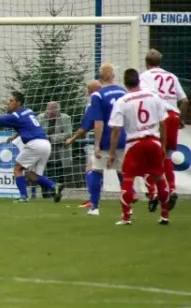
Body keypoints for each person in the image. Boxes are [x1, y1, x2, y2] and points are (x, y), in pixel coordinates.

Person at [0, 91, 64, 203]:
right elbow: (27, 125)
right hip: (45, 144)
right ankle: (54, 186)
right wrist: (15, 136)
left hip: (35, 144)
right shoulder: (28, 111)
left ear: (18, 103)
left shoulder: (15, 116)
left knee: (17, 168)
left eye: (11, 101)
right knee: (33, 176)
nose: (8, 103)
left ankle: (24, 197)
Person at [108, 68, 171, 225]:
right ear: (139, 81)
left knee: (128, 178)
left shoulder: (123, 101)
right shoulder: (153, 97)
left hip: (134, 143)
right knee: (159, 177)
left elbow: (116, 129)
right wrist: (162, 145)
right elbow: (163, 123)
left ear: (125, 82)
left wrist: (112, 153)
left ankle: (126, 217)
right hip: (153, 141)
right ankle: (164, 215)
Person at [139, 49, 188, 210]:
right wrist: (180, 117)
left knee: (149, 154)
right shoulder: (171, 76)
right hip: (172, 116)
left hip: (157, 116)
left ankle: (153, 193)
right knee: (167, 155)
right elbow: (185, 100)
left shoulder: (145, 76)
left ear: (147, 63)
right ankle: (171, 189)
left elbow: (145, 97)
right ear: (160, 62)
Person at [85, 63, 130, 216]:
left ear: (100, 77)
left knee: (95, 169)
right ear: (113, 76)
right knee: (123, 172)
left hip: (106, 138)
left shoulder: (98, 95)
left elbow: (98, 123)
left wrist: (97, 145)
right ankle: (128, 207)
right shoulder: (123, 91)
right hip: (123, 138)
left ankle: (95, 207)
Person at [65, 80, 101, 208]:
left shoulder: (93, 103)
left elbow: (86, 126)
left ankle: (93, 200)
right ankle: (133, 193)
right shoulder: (108, 99)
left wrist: (72, 139)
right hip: (117, 137)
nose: (87, 92)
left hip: (101, 139)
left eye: (88, 89)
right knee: (119, 170)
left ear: (91, 90)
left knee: (91, 169)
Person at [37, 101, 72, 197]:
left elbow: (68, 134)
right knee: (43, 172)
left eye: (52, 108)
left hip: (59, 150)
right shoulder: (40, 117)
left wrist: (51, 138)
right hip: (44, 150)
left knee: (59, 174)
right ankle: (45, 195)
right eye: (48, 108)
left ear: (58, 109)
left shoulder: (65, 118)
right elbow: (37, 131)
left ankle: (56, 194)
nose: (49, 111)